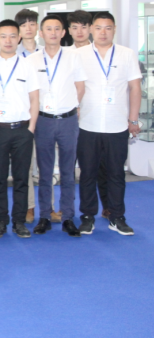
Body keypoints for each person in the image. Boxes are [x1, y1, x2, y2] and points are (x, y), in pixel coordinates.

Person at [75, 12, 142, 236]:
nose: (103, 32)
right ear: (91, 30)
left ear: (114, 30)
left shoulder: (126, 54)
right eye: (99, 27)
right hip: (87, 124)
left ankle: (117, 217)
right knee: (87, 174)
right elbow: (73, 86)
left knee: (116, 174)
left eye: (108, 28)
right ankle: (87, 216)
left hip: (117, 125)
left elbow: (135, 88)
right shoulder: (79, 55)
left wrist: (133, 119)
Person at [27, 15, 86, 238]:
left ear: (63, 33)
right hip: (43, 120)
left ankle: (68, 216)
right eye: (48, 29)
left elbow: (80, 87)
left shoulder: (74, 57)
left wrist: (71, 106)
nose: (52, 33)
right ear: (41, 33)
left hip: (68, 120)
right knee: (44, 172)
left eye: (57, 29)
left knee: (68, 172)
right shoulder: (31, 60)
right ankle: (44, 216)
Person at [0, 19, 40, 239]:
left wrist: (31, 129)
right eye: (3, 36)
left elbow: (34, 99)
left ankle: (19, 221)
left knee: (21, 178)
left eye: (12, 36)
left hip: (22, 130)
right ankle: (0, 221)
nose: (8, 40)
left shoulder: (28, 65)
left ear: (19, 38)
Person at [66, 10, 110, 218]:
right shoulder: (65, 55)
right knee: (71, 167)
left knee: (100, 165)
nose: (80, 32)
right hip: (70, 118)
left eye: (84, 27)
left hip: (96, 117)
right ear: (69, 31)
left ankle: (108, 205)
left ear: (90, 29)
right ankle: (71, 210)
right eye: (75, 27)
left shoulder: (101, 52)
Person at [15, 8, 41, 224]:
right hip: (25, 116)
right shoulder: (13, 55)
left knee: (47, 166)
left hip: (49, 113)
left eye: (32, 23)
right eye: (24, 25)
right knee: (27, 166)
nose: (29, 28)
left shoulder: (47, 51)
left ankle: (50, 207)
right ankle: (29, 206)